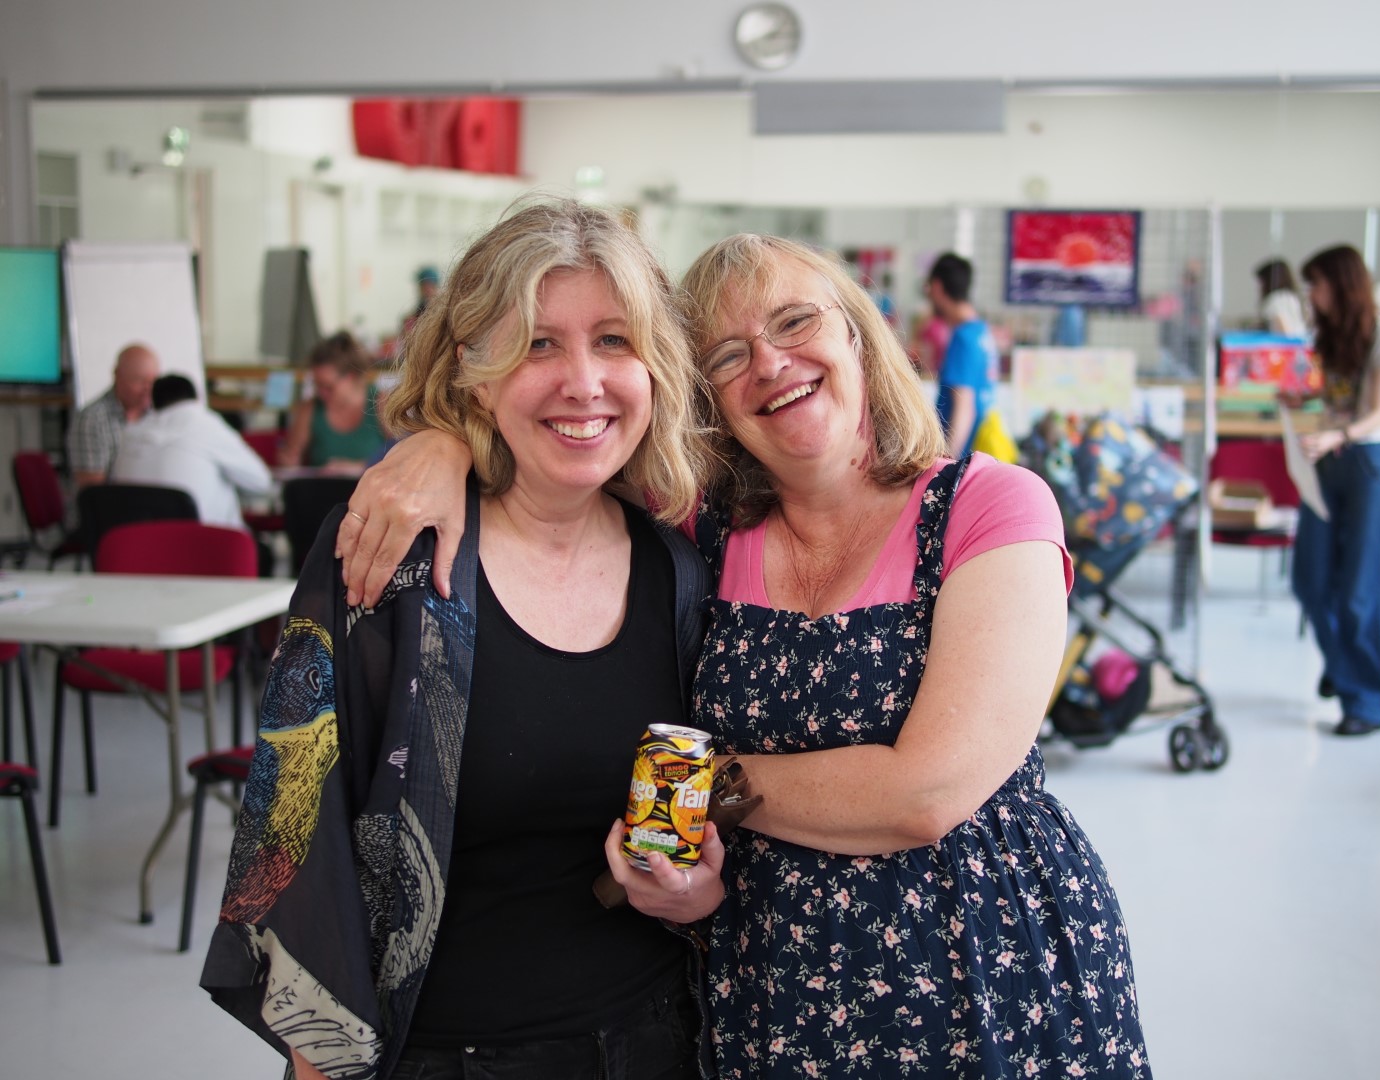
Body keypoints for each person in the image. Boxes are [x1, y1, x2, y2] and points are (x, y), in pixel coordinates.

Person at [340, 234, 1153, 1077]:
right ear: (703, 398)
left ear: (858, 337)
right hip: (768, 984)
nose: (771, 362)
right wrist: (436, 448)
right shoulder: (697, 533)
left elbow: (927, 791)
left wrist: (700, 780)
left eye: (796, 321)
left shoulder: (989, 507)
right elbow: (562, 441)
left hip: (980, 965)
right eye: (728, 355)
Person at [200, 199, 722, 1080]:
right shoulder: (387, 552)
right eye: (537, 343)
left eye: (615, 341)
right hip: (434, 1054)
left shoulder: (682, 572)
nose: (583, 382)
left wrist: (697, 894)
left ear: (658, 367)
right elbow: (297, 843)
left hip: (651, 1047)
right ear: (473, 369)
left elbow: (706, 846)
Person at [1282, 245, 1380, 737]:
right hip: (1328, 463)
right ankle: (1343, 665)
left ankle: (1367, 701)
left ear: (1341, 283)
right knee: (1310, 581)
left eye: (1317, 283)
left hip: (1366, 465)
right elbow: (1336, 395)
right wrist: (1304, 400)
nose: (1311, 294)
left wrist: (1339, 434)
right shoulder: (1331, 336)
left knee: (1360, 593)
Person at [110, 374, 272, 529]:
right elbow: (261, 482)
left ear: (154, 403)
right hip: (203, 547)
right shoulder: (206, 423)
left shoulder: (130, 435)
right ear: (196, 399)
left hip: (139, 548)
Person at [276, 331, 389, 470]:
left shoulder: (381, 403)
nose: (321, 393)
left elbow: (402, 457)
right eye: (316, 385)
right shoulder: (310, 408)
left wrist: (360, 467)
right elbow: (290, 457)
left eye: (328, 387)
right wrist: (289, 462)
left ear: (351, 377)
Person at [926, 252, 1000, 458]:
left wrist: (947, 463)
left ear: (938, 287)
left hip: (963, 456)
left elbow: (964, 407)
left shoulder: (963, 338)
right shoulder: (982, 332)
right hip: (977, 451)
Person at [67, 342, 160, 489]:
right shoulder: (92, 419)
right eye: (139, 380)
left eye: (153, 381)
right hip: (110, 508)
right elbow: (92, 490)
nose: (147, 389)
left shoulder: (159, 416)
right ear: (118, 375)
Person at [1254, 258, 1308, 337]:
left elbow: (1283, 328)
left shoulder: (1274, 300)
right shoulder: (1293, 297)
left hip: (1287, 345)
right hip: (1302, 343)